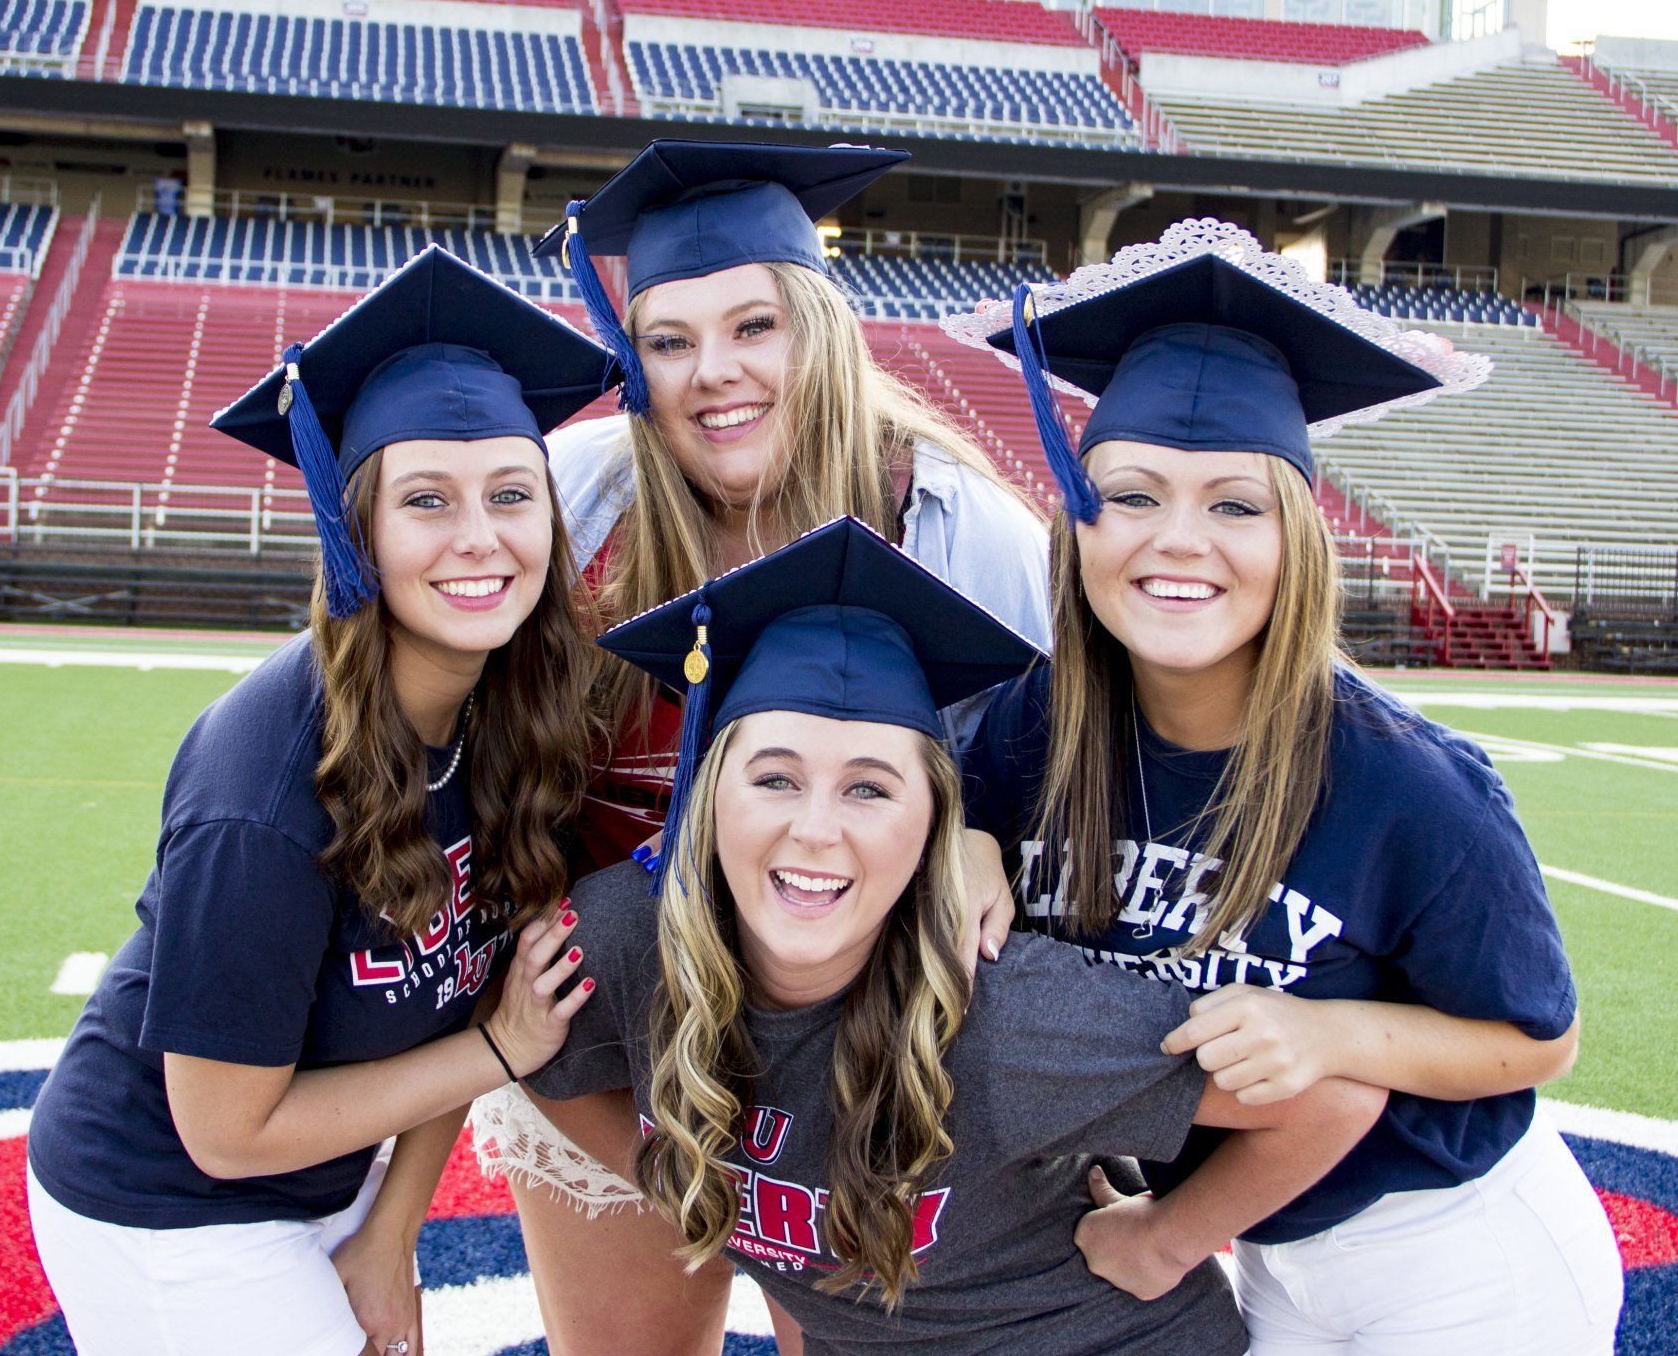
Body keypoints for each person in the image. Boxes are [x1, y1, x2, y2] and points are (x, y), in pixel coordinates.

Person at [950, 219, 1625, 1355]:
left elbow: (1535, 1039)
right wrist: (964, 836)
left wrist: (1335, 1036)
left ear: (1297, 538)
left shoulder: (1407, 785)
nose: (1178, 542)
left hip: (1458, 1258)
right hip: (1265, 1253)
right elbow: (940, 786)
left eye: (1235, 505)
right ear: (1075, 514)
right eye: (1133, 496)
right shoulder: (1032, 730)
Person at [529, 515, 1386, 1356]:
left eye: (869, 789)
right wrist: (690, 1187)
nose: (817, 830)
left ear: (936, 821)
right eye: (775, 778)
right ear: (707, 797)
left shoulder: (1004, 1010)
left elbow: (1330, 1100)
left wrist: (1166, 1239)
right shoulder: (628, 934)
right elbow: (533, 1056)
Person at [471, 140, 1051, 1351]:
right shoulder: (572, 495)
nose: (712, 375)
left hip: (863, 1064)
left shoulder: (952, 522)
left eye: (754, 326)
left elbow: (1057, 765)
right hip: (610, 1045)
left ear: (824, 330)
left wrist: (986, 832)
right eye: (669, 340)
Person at [25, 246, 611, 1356]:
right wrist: (503, 1052)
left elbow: (465, 993)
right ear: (357, 534)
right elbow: (225, 1134)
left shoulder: (514, 719)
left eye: (512, 496)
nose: (480, 538)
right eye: (426, 501)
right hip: (169, 1202)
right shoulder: (264, 785)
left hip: (328, 1174)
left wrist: (392, 1234)